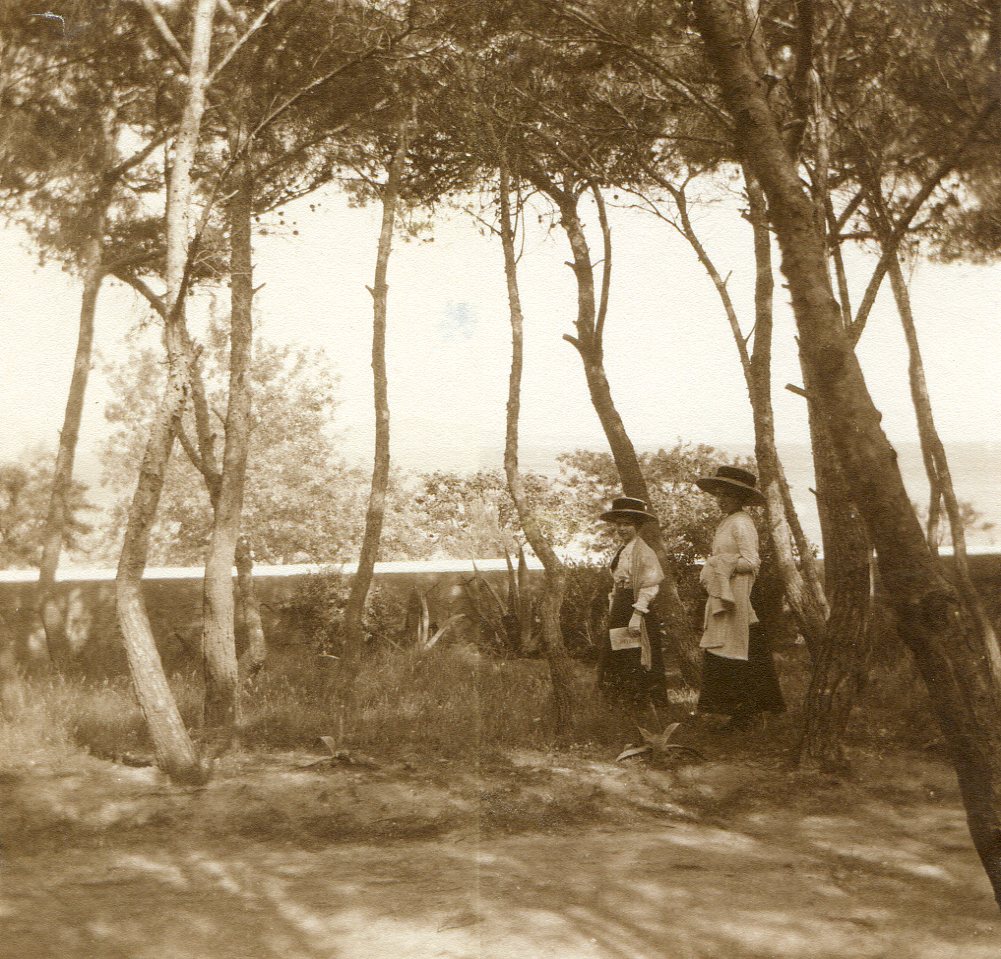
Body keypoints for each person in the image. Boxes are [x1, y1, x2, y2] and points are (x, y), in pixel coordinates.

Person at [694, 466, 785, 731]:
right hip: (726, 593)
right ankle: (739, 713)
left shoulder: (742, 522)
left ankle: (751, 713)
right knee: (728, 649)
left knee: (745, 649)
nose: (721, 499)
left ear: (741, 497)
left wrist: (720, 562)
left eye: (728, 495)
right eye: (718, 494)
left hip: (741, 594)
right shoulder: (728, 521)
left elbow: (752, 562)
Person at [596, 496, 668, 728]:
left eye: (627, 524)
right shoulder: (624, 549)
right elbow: (618, 581)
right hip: (621, 604)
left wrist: (637, 614)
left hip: (636, 606)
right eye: (619, 524)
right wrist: (614, 604)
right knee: (619, 650)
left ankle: (641, 703)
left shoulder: (644, 552)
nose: (622, 528)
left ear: (637, 526)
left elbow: (650, 585)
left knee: (635, 652)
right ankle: (621, 701)